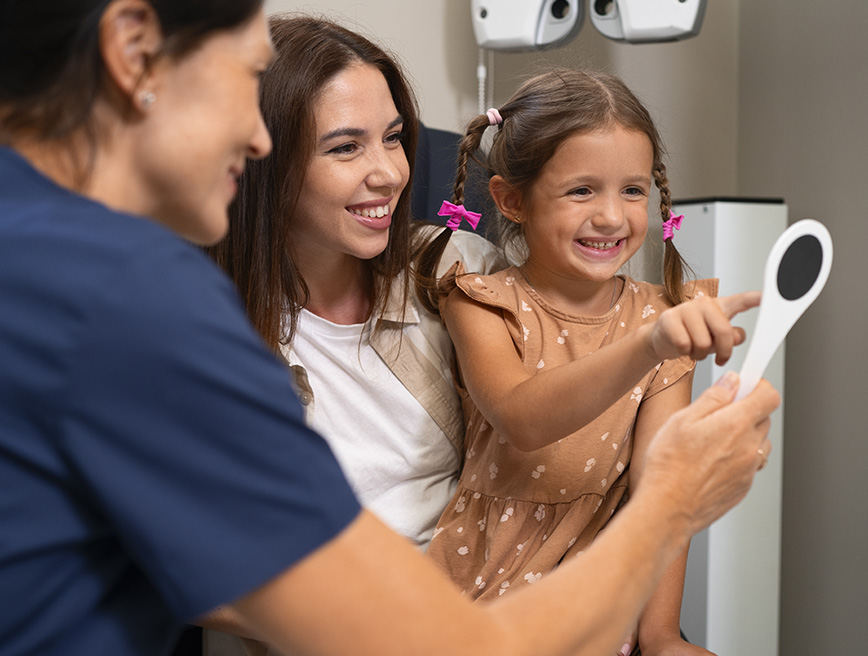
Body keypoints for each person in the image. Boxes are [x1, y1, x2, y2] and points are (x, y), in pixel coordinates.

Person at [0, 3, 780, 656]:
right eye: (244, 77)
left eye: (396, 137)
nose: (257, 134)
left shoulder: (450, 271)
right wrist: (675, 499)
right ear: (134, 52)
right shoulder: (128, 294)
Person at [201, 14, 504, 656]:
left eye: (393, 138)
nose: (390, 173)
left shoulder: (455, 271)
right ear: (264, 162)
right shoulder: (202, 336)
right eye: (345, 147)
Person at [415, 69, 741, 655]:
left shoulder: (663, 316)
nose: (612, 217)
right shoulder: (481, 302)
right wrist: (648, 346)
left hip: (598, 594)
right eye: (581, 191)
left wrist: (662, 635)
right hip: (479, 591)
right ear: (512, 200)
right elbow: (522, 418)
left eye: (633, 190)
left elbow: (657, 487)